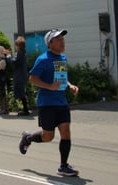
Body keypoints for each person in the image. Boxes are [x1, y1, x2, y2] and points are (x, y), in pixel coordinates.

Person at [18, 29, 80, 176]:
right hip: (46, 103)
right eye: (58, 39)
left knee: (65, 132)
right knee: (48, 136)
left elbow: (62, 78)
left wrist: (70, 86)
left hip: (62, 103)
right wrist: (49, 86)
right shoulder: (43, 59)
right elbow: (32, 78)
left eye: (62, 39)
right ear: (50, 43)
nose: (62, 42)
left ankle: (63, 166)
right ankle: (28, 138)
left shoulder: (62, 58)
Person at [4, 36, 31, 116]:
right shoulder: (22, 52)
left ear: (18, 45)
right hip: (21, 74)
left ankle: (25, 110)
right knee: (21, 92)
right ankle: (25, 109)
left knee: (21, 92)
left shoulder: (20, 53)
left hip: (19, 75)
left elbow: (14, 62)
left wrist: (8, 55)